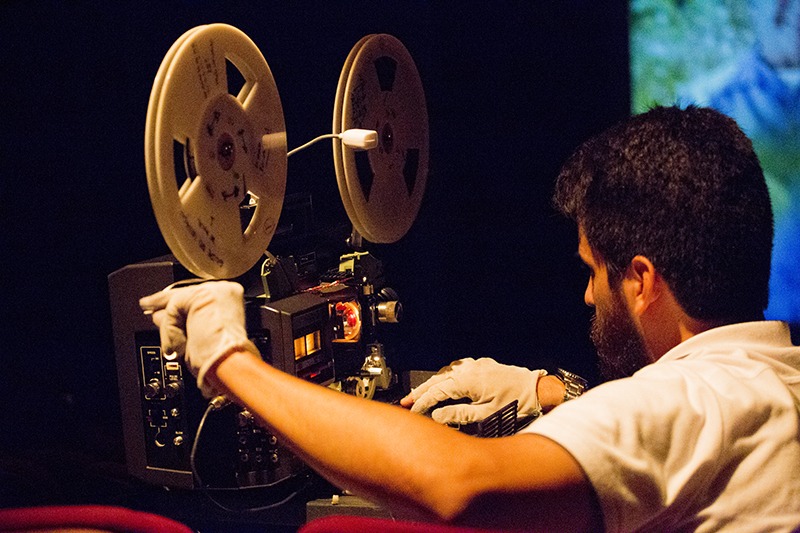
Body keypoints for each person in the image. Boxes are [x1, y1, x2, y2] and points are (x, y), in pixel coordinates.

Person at [140, 105, 800, 531]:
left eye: (592, 271)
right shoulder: (775, 385)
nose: (589, 298)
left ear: (642, 279)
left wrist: (230, 358)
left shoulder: (690, 403)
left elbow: (457, 487)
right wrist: (550, 392)